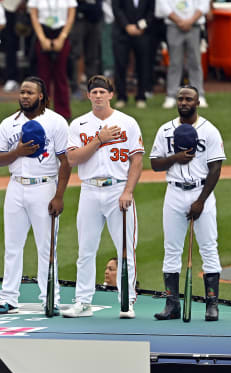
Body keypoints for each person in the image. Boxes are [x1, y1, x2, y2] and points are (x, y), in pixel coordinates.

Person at [62, 75, 143, 319]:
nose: (98, 95)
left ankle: (127, 302)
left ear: (111, 94)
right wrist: (99, 139)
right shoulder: (78, 124)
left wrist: (128, 191)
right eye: (94, 92)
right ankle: (83, 302)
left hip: (117, 189)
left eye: (102, 91)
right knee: (86, 249)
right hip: (89, 189)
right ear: (88, 96)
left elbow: (137, 159)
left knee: (126, 249)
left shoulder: (127, 122)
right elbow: (73, 159)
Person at [0, 76, 71, 314]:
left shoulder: (57, 122)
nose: (24, 96)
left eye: (29, 93)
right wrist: (18, 152)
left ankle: (50, 298)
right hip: (15, 186)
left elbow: (65, 162)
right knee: (12, 245)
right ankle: (8, 298)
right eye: (22, 92)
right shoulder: (8, 123)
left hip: (44, 186)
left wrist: (59, 195)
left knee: (46, 246)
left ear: (41, 97)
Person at [151, 85, 225, 321]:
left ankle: (211, 305)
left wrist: (201, 201)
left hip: (200, 192)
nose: (183, 102)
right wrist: (175, 158)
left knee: (209, 248)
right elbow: (154, 164)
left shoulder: (210, 130)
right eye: (180, 98)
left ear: (197, 103)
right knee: (171, 249)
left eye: (188, 99)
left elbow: (216, 168)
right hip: (173, 192)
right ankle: (172, 305)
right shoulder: (165, 130)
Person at [28, 0, 75, 120]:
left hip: (61, 33)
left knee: (61, 75)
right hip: (43, 32)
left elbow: (71, 16)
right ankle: (41, 110)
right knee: (43, 76)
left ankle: (63, 113)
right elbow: (34, 16)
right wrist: (42, 39)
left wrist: (62, 37)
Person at [157, 0, 209, 109]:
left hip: (194, 25)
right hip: (173, 25)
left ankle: (198, 95)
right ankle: (171, 95)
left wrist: (190, 21)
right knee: (175, 63)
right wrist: (179, 21)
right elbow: (163, 4)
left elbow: (204, 4)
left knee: (195, 62)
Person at [111, 0, 154, 109]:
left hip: (143, 33)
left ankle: (141, 97)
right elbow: (117, 9)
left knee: (143, 65)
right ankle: (121, 97)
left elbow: (151, 11)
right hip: (121, 33)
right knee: (120, 65)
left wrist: (142, 27)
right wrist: (127, 26)